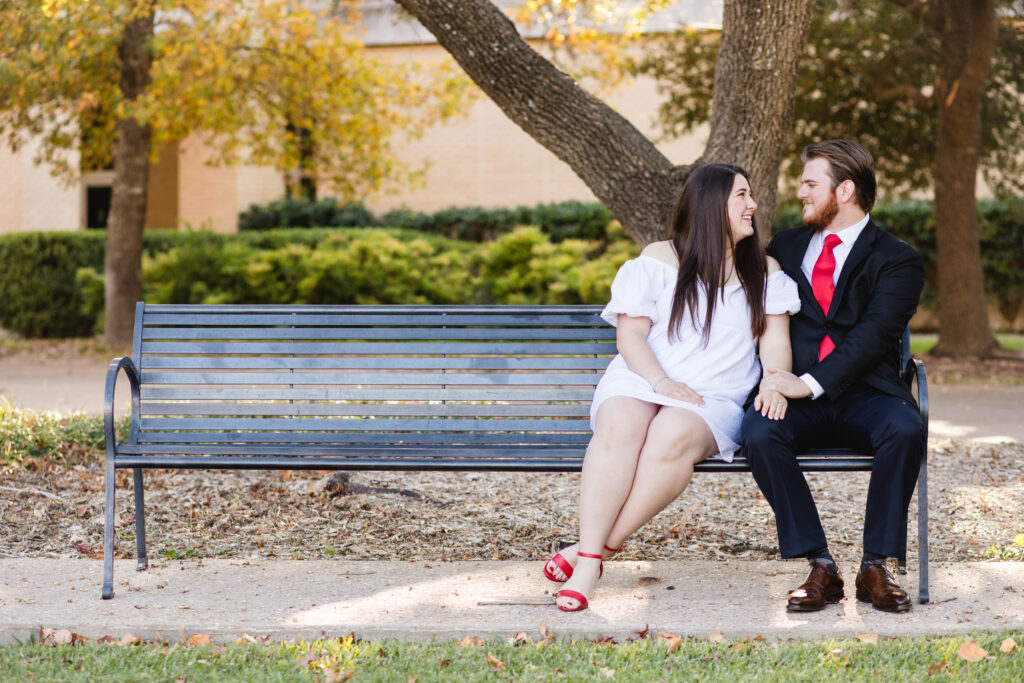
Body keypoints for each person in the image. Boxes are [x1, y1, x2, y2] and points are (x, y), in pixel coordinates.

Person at [545, 163, 801, 612]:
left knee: (672, 435)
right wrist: (661, 381)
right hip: (644, 377)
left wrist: (776, 382)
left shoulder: (764, 270)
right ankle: (589, 559)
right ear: (710, 203)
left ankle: (596, 552)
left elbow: (775, 344)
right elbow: (630, 337)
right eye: (741, 195)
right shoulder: (659, 259)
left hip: (712, 396)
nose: (753, 206)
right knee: (622, 424)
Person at [741, 140, 926, 614]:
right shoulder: (784, 245)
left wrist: (810, 382)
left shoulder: (898, 258)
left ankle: (874, 567)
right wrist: (778, 379)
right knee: (759, 432)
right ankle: (820, 565)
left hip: (866, 393)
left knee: (906, 427)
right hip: (796, 394)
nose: (800, 192)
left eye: (810, 183)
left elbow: (872, 335)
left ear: (844, 190)